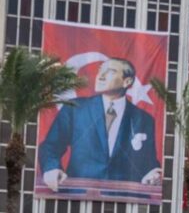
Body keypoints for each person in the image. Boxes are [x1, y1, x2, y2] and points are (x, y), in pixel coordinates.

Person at [39, 58, 161, 188]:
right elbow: (50, 147)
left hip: (122, 199)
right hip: (77, 194)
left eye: (110, 71)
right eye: (100, 71)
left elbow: (148, 162)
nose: (100, 76)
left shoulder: (143, 119)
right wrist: (51, 169)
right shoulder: (75, 108)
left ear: (127, 81)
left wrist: (154, 173)